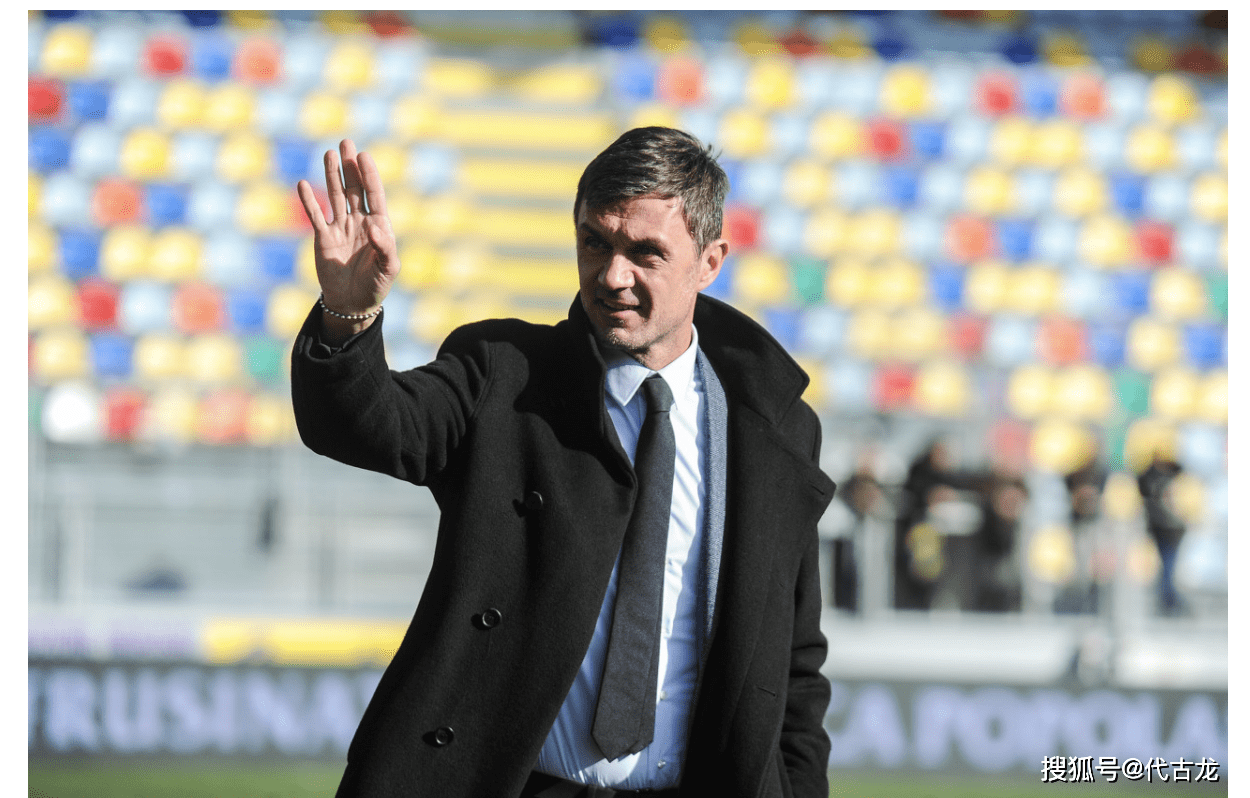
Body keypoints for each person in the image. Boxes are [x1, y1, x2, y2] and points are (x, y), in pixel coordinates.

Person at [290, 129, 835, 798]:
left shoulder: (775, 433)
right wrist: (348, 313)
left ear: (710, 261)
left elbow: (793, 662)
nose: (612, 276)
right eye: (595, 243)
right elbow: (367, 426)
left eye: (646, 253)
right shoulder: (503, 376)